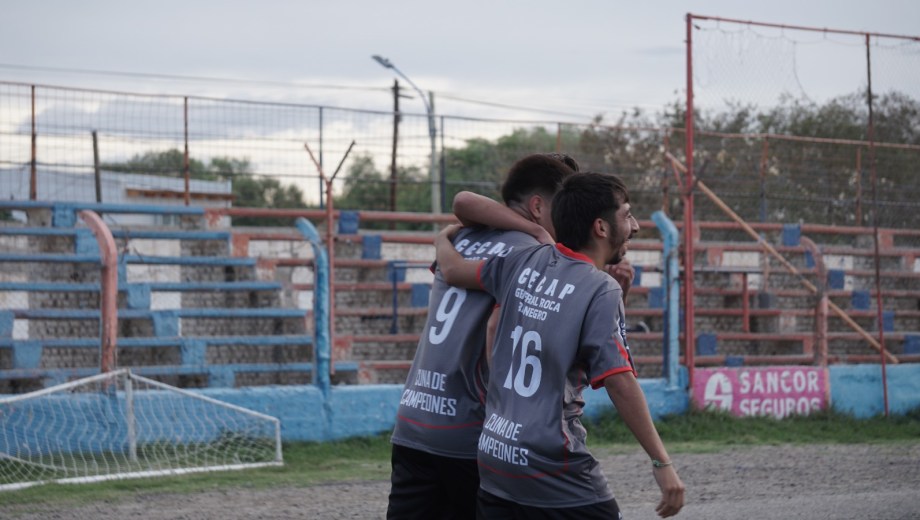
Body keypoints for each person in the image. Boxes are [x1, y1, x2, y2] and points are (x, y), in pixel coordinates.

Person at [435, 172, 685, 519]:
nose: (636, 226)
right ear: (601, 227)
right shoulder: (601, 288)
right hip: (551, 462)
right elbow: (619, 380)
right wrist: (662, 462)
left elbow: (455, 270)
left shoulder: (524, 261)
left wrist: (441, 240)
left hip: (496, 453)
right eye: (627, 215)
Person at [386, 153, 578, 519]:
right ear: (538, 206)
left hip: (415, 420)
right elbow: (498, 331)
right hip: (470, 431)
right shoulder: (533, 255)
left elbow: (463, 202)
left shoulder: (463, 238)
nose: (569, 219)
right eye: (564, 207)